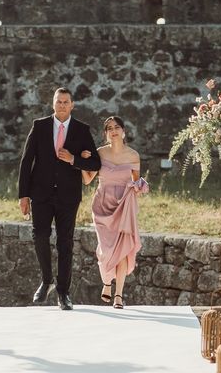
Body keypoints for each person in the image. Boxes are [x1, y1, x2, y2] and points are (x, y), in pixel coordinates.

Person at [18, 87, 101, 310]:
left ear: (72, 105)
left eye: (66, 102)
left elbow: (95, 163)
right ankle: (46, 280)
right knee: (39, 237)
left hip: (68, 196)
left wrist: (74, 159)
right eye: (58, 101)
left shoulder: (82, 130)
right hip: (40, 194)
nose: (62, 105)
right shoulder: (40, 126)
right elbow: (27, 162)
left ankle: (63, 293)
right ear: (53, 104)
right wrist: (23, 195)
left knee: (65, 244)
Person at [81, 116, 148, 309]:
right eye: (109, 128)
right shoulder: (99, 153)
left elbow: (137, 182)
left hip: (124, 206)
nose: (113, 131)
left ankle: (118, 295)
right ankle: (106, 281)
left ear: (124, 131)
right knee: (106, 250)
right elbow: (87, 180)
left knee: (123, 250)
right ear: (106, 134)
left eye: (117, 127)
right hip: (103, 205)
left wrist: (140, 186)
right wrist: (83, 162)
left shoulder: (133, 155)